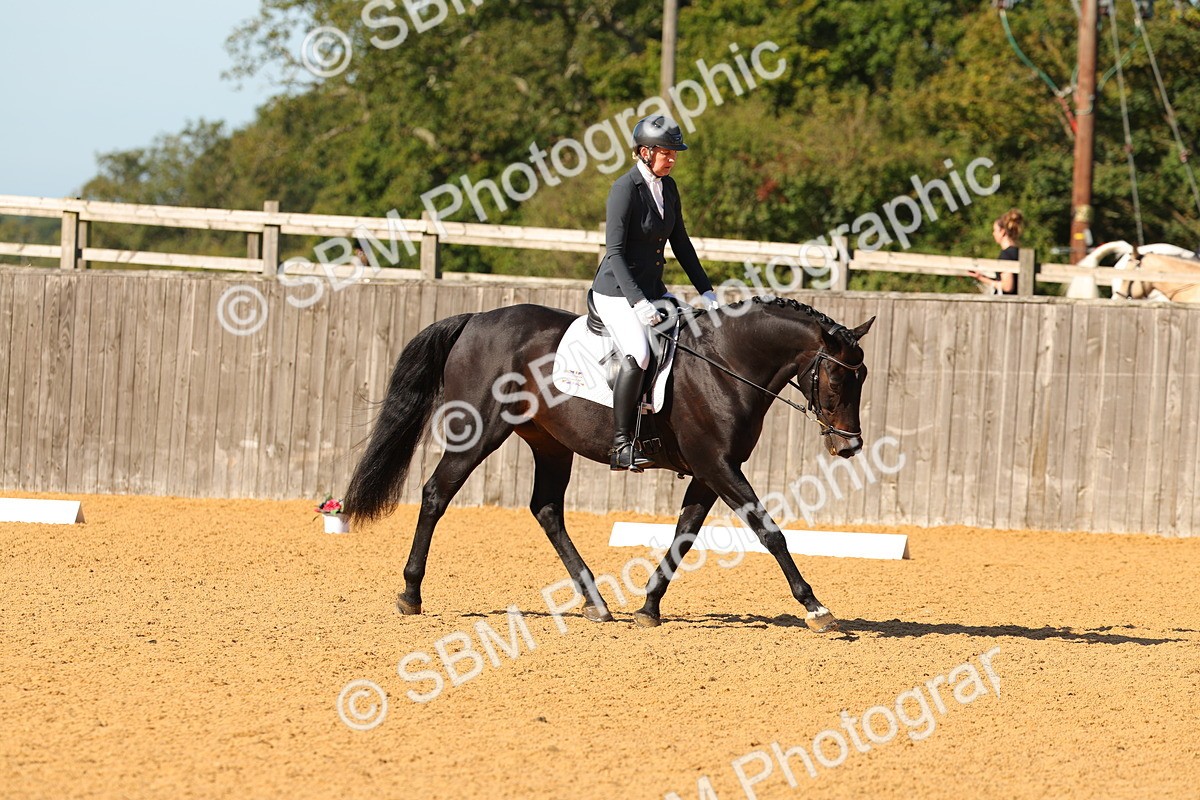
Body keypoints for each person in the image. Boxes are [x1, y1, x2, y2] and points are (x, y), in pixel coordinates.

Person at [591, 114, 719, 471]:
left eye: (675, 153)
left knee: (692, 338)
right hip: (616, 292)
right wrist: (638, 302)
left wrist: (707, 291)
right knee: (640, 353)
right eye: (667, 152)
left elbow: (682, 244)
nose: (673, 159)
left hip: (652, 289)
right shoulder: (624, 189)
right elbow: (614, 253)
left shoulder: (669, 188)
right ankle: (621, 444)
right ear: (645, 152)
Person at [970, 208, 1024, 295]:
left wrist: (983, 279)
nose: (993, 233)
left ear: (1002, 232)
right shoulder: (1019, 252)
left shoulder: (1006, 255)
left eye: (995, 230)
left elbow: (1008, 286)